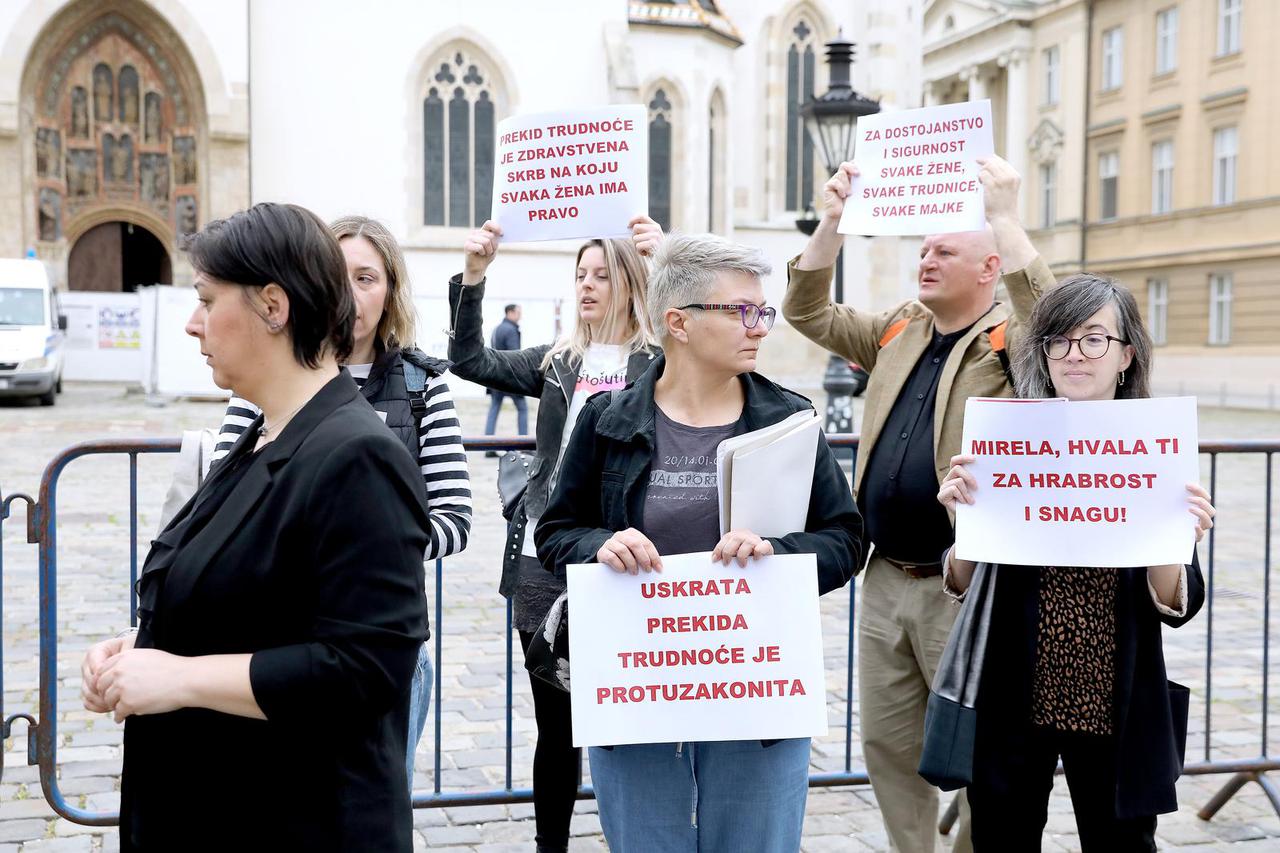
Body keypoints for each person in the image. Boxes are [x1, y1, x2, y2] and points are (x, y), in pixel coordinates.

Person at [79, 203, 430, 851]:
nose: (192, 323)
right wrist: (144, 642)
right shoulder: (262, 438)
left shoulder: (358, 455)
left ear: (274, 305)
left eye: (208, 300)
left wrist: (176, 676)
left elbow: (364, 669)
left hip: (294, 818)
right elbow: (259, 600)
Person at [536, 234, 865, 852]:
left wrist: (780, 553)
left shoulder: (788, 421)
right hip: (639, 685)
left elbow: (845, 538)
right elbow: (557, 531)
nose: (760, 327)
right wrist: (600, 547)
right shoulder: (607, 420)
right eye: (742, 310)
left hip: (756, 688)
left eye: (762, 311)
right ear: (678, 323)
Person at [781, 155, 1052, 853]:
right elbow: (806, 309)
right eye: (924, 248)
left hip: (962, 586)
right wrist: (833, 222)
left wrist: (1004, 217)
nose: (925, 258)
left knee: (975, 748)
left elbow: (1051, 318)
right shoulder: (903, 327)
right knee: (889, 743)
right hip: (886, 577)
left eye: (945, 250)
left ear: (989, 267)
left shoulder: (1011, 341)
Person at [937, 273, 1213, 850]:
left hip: (1114, 687)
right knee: (1003, 835)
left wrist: (1175, 536)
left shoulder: (1153, 444)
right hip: (1014, 683)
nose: (1074, 354)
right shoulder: (1007, 437)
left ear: (1125, 355)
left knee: (1121, 841)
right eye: (1058, 341)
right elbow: (962, 582)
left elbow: (1176, 602)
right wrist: (966, 526)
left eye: (1093, 340)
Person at [208, 215, 472, 787]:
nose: (351, 293)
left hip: (377, 638)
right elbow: (219, 503)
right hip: (272, 642)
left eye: (367, 277)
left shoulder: (424, 387)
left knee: (369, 800)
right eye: (337, 274)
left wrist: (367, 540)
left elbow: (454, 516)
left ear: (390, 291)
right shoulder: (265, 379)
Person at [451, 215, 661, 853]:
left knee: (631, 716)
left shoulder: (660, 361)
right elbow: (468, 360)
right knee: (557, 721)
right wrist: (475, 277)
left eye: (603, 274)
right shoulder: (558, 359)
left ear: (633, 282)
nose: (588, 286)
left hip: (626, 555)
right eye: (581, 275)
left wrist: (670, 255)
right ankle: (551, 845)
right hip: (546, 554)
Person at [484, 303, 529, 455]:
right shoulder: (511, 330)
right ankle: (524, 445)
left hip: (495, 376)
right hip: (510, 377)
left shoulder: (497, 329)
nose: (520, 315)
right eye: (518, 312)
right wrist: (521, 378)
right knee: (522, 408)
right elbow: (516, 356)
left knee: (494, 409)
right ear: (510, 313)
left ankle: (487, 447)